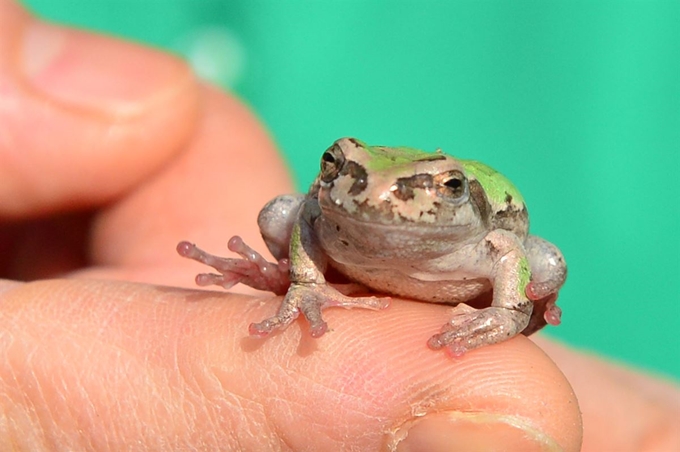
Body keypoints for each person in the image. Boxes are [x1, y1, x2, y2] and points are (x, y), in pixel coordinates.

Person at [0, 1, 678, 450]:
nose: (382, 198)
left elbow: (512, 252)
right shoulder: (329, 208)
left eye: (437, 189)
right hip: (345, 267)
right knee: (279, 213)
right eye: (338, 168)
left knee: (548, 263)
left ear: (456, 194)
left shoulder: (485, 237)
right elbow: (307, 223)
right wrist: (303, 278)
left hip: (475, 293)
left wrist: (508, 312)